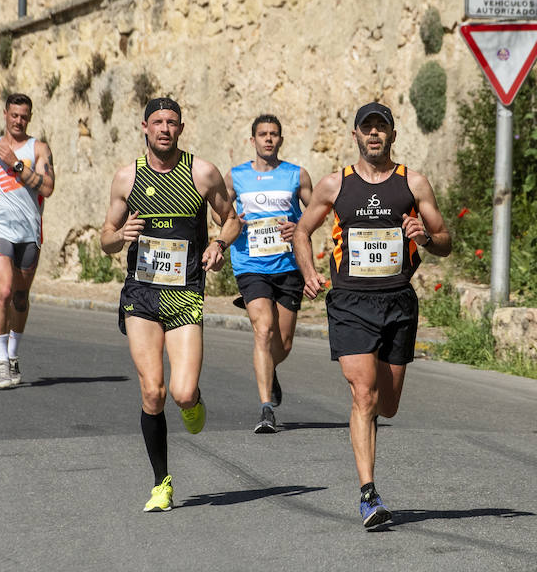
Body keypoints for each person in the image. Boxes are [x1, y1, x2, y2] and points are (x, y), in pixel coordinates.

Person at [293, 102, 451, 528]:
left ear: (393, 136)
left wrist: (427, 237)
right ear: (356, 136)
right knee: (363, 394)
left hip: (398, 302)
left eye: (382, 128)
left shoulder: (413, 183)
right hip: (350, 303)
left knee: (389, 404)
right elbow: (303, 231)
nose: (374, 135)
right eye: (368, 129)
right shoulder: (334, 185)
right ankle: (369, 494)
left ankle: (371, 473)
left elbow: (445, 239)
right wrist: (308, 271)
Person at [100, 97, 240, 512]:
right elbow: (106, 237)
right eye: (157, 122)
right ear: (144, 126)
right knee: (153, 391)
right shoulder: (127, 178)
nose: (164, 128)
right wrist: (121, 234)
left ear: (181, 128)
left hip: (185, 292)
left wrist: (218, 244)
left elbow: (231, 219)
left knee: (180, 392)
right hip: (141, 294)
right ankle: (161, 483)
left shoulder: (202, 172)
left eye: (172, 122)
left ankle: (193, 402)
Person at [223, 114, 313, 433]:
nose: (268, 139)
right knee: (263, 330)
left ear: (281, 140)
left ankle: (270, 369)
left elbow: (315, 215)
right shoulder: (235, 178)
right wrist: (226, 234)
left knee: (283, 343)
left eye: (274, 134)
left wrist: (299, 226)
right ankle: (265, 409)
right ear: (253, 141)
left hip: (288, 267)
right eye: (262, 134)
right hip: (250, 264)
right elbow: (223, 214)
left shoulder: (296, 175)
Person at [0, 93, 55, 390]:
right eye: (14, 115)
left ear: (30, 117)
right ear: (5, 114)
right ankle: (2, 362)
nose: (18, 121)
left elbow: (49, 187)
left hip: (28, 231)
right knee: (4, 290)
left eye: (24, 116)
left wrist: (16, 164)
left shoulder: (38, 148)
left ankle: (14, 355)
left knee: (20, 297)